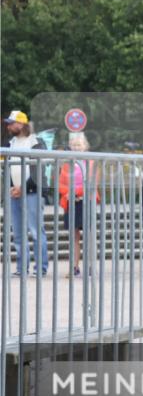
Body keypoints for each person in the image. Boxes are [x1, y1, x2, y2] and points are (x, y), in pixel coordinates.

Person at [4, 110, 49, 276]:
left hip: (32, 192)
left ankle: (41, 268)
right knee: (18, 233)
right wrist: (10, 187)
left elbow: (39, 170)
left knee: (36, 231)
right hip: (15, 192)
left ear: (21, 124)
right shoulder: (10, 143)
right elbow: (7, 169)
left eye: (11, 123)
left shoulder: (36, 141)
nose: (8, 126)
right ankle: (22, 268)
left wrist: (22, 188)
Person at [58, 132, 100, 278]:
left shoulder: (92, 162)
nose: (76, 148)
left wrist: (75, 192)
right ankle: (74, 267)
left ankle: (90, 267)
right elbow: (61, 183)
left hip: (86, 200)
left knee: (89, 235)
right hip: (71, 201)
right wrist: (68, 193)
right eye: (74, 145)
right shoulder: (66, 163)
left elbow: (92, 182)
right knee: (73, 236)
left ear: (85, 147)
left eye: (79, 145)